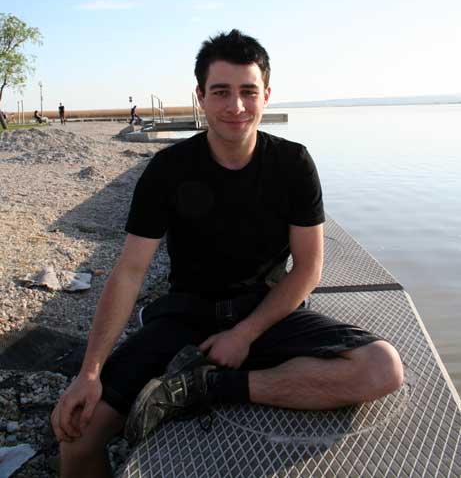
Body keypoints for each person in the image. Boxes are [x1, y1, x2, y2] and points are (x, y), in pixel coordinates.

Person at [52, 29, 403, 478]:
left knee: (382, 368)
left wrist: (244, 334)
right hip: (185, 316)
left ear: (266, 95)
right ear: (200, 96)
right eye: (220, 92)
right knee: (78, 438)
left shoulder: (293, 164)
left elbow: (308, 269)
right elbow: (129, 272)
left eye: (248, 92)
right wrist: (89, 372)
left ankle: (204, 386)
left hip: (267, 312)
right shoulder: (168, 170)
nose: (235, 106)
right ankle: (193, 378)